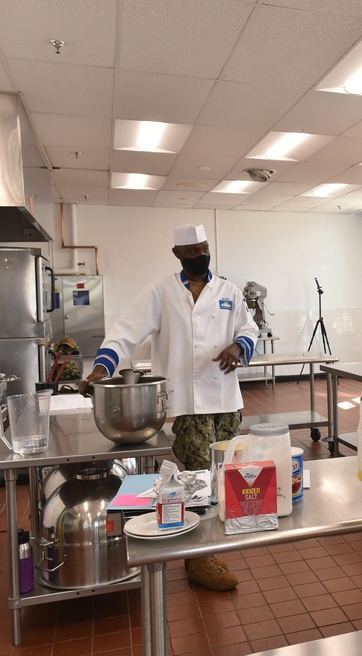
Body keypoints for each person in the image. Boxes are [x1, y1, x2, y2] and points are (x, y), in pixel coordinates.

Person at [81, 224, 258, 591]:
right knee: (197, 480)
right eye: (192, 251)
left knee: (221, 479)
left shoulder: (228, 290)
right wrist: (102, 367)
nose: (200, 255)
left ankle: (208, 545)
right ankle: (198, 560)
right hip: (185, 403)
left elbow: (249, 328)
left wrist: (238, 347)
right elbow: (126, 330)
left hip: (226, 402)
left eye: (204, 248)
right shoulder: (160, 291)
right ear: (178, 255)